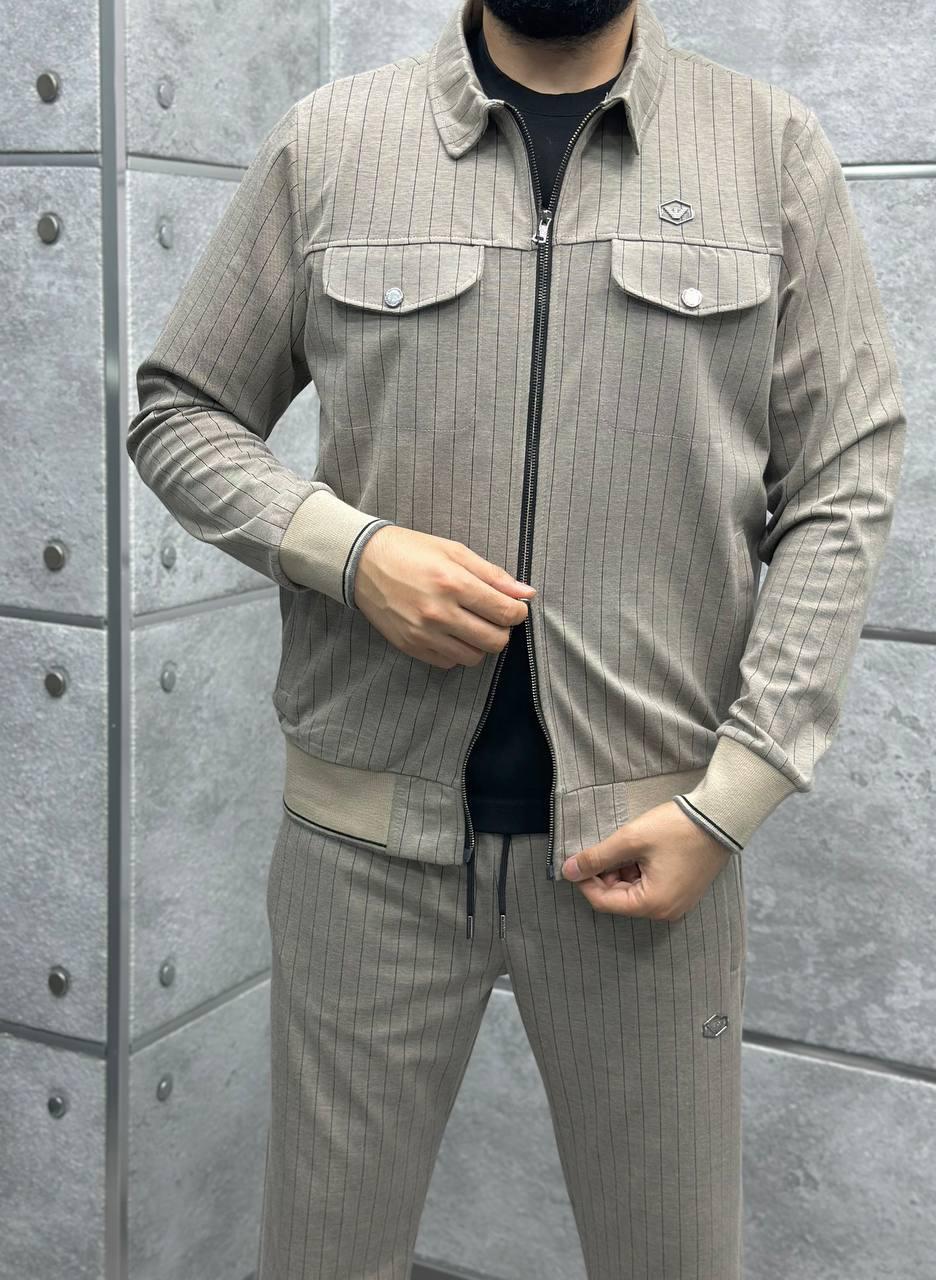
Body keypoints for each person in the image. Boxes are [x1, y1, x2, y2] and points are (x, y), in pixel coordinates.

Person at [126, 0, 907, 1275]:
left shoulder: (770, 151)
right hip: (362, 855)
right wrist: (350, 550)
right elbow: (181, 409)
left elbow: (841, 479)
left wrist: (735, 796)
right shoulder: (332, 141)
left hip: (654, 845)